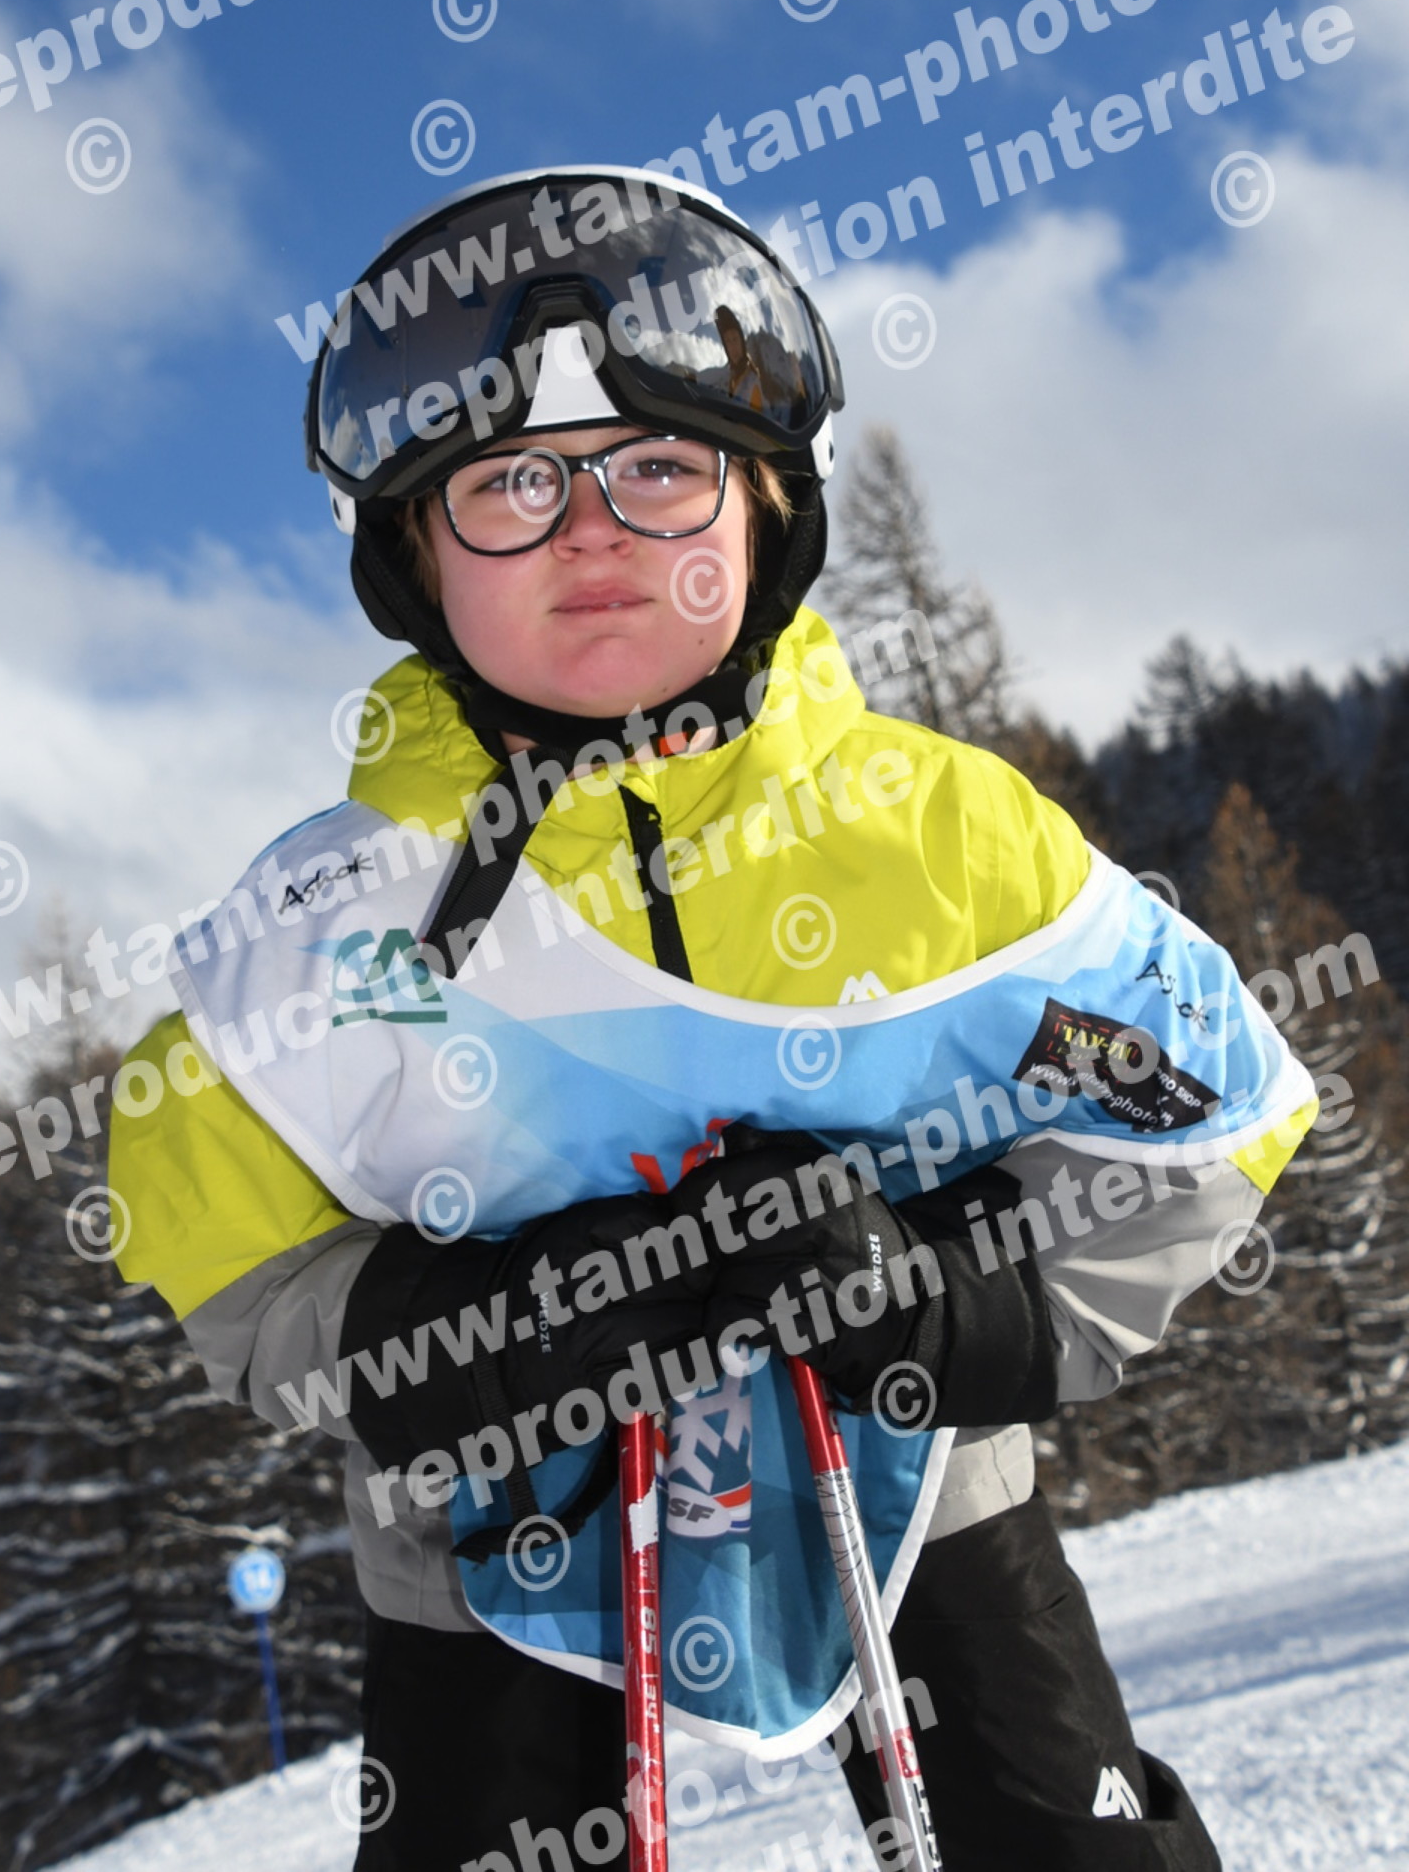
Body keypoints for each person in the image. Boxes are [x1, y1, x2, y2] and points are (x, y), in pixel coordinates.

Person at [110, 168, 1315, 1872]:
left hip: (920, 1482)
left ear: (769, 508)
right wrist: (466, 1342)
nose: (591, 530)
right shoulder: (318, 933)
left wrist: (951, 1297)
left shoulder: (949, 841)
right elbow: (230, 1265)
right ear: (410, 554)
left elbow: (1207, 1125)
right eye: (510, 484)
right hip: (492, 1545)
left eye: (661, 469)